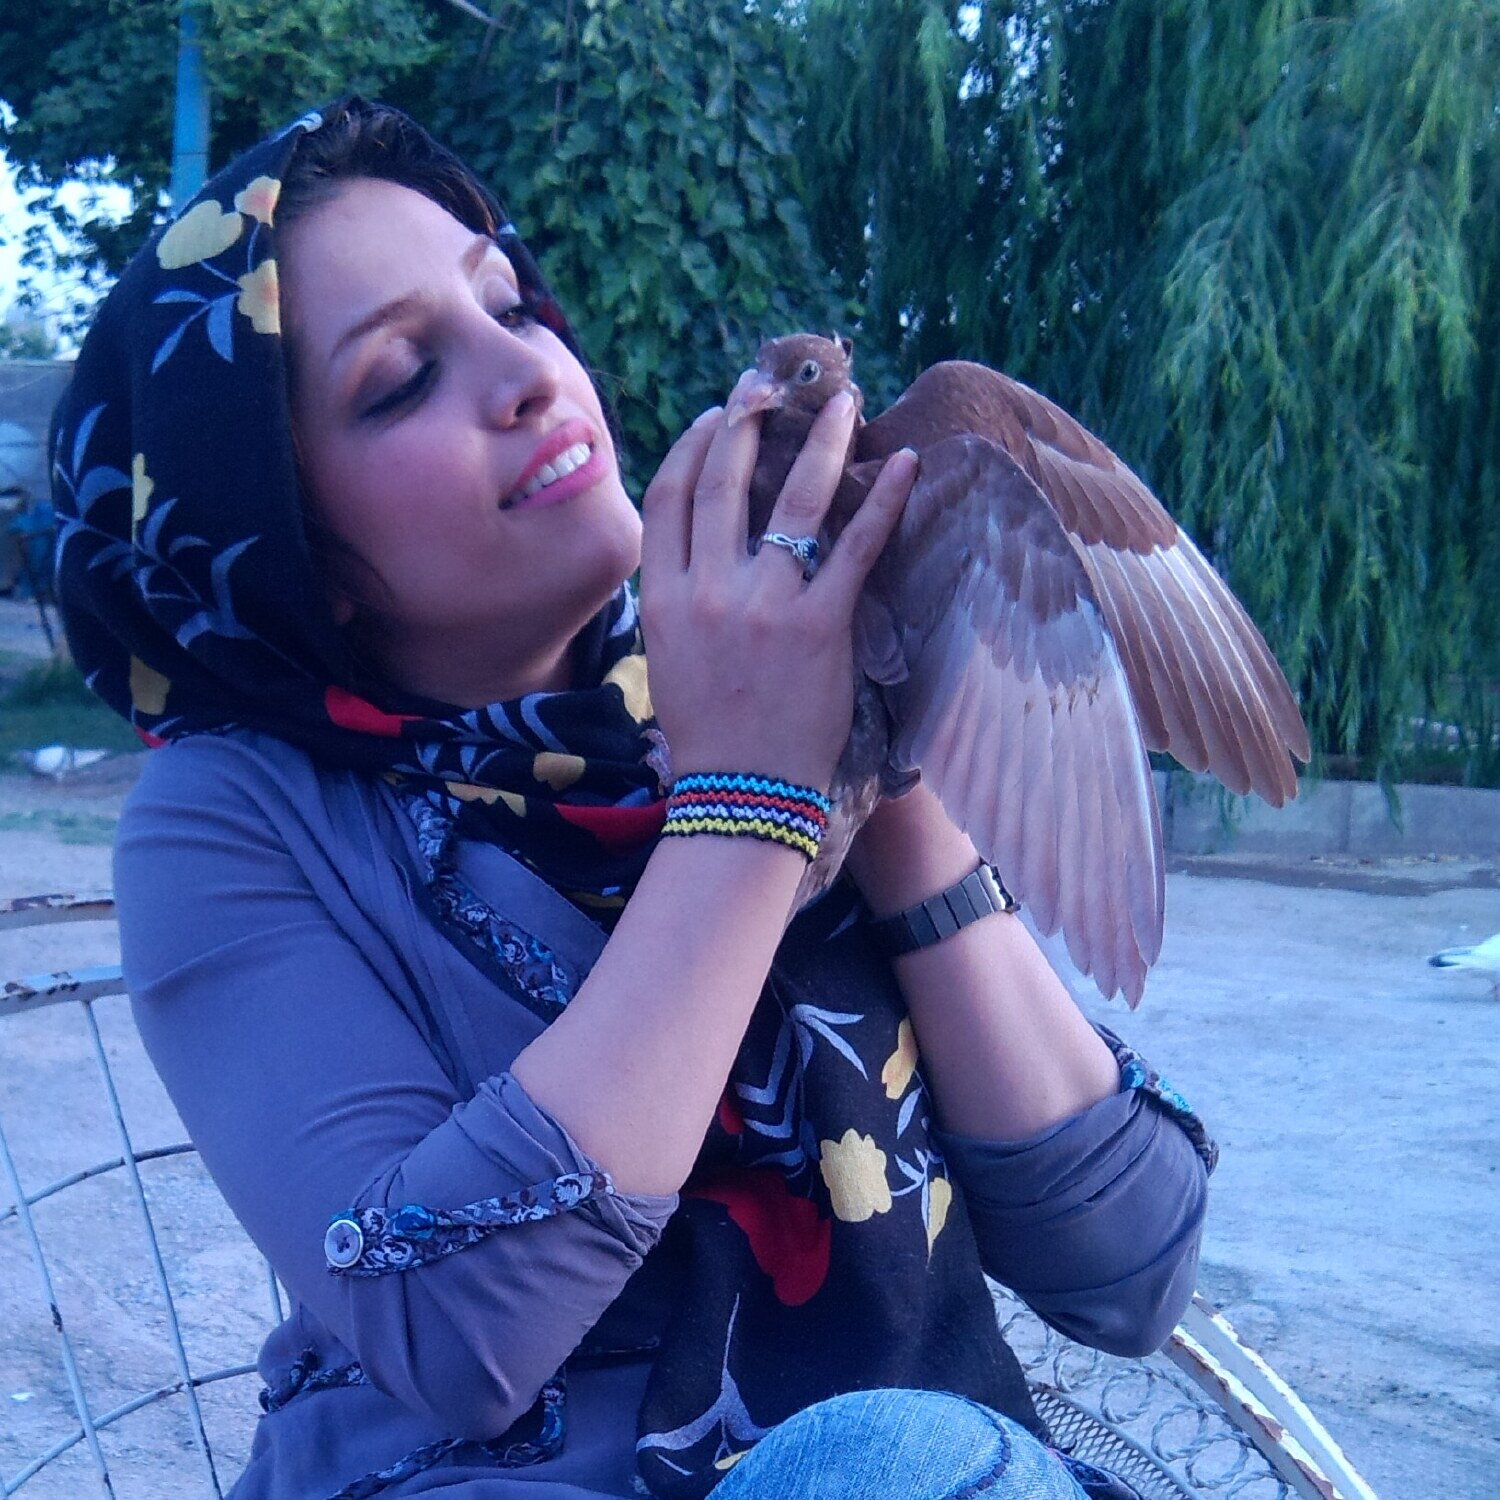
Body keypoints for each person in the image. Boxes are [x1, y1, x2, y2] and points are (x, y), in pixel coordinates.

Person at [51, 98, 1215, 1500]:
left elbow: (1128, 1269)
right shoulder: (228, 822)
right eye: (401, 379)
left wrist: (874, 765)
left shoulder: (739, 674)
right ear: (293, 551)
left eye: (508, 303)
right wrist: (749, 801)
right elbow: (453, 1327)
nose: (531, 371)